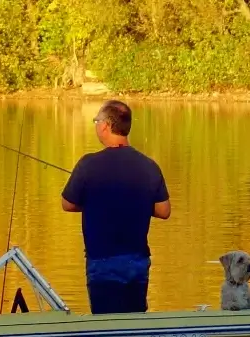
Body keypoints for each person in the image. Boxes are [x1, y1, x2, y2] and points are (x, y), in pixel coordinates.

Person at [60, 99, 171, 314]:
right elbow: (163, 211)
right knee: (134, 324)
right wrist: (133, 203)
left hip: (102, 262)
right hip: (137, 261)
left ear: (106, 125)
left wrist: (99, 203)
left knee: (106, 326)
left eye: (96, 121)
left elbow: (67, 203)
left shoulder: (88, 164)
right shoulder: (149, 166)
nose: (96, 125)